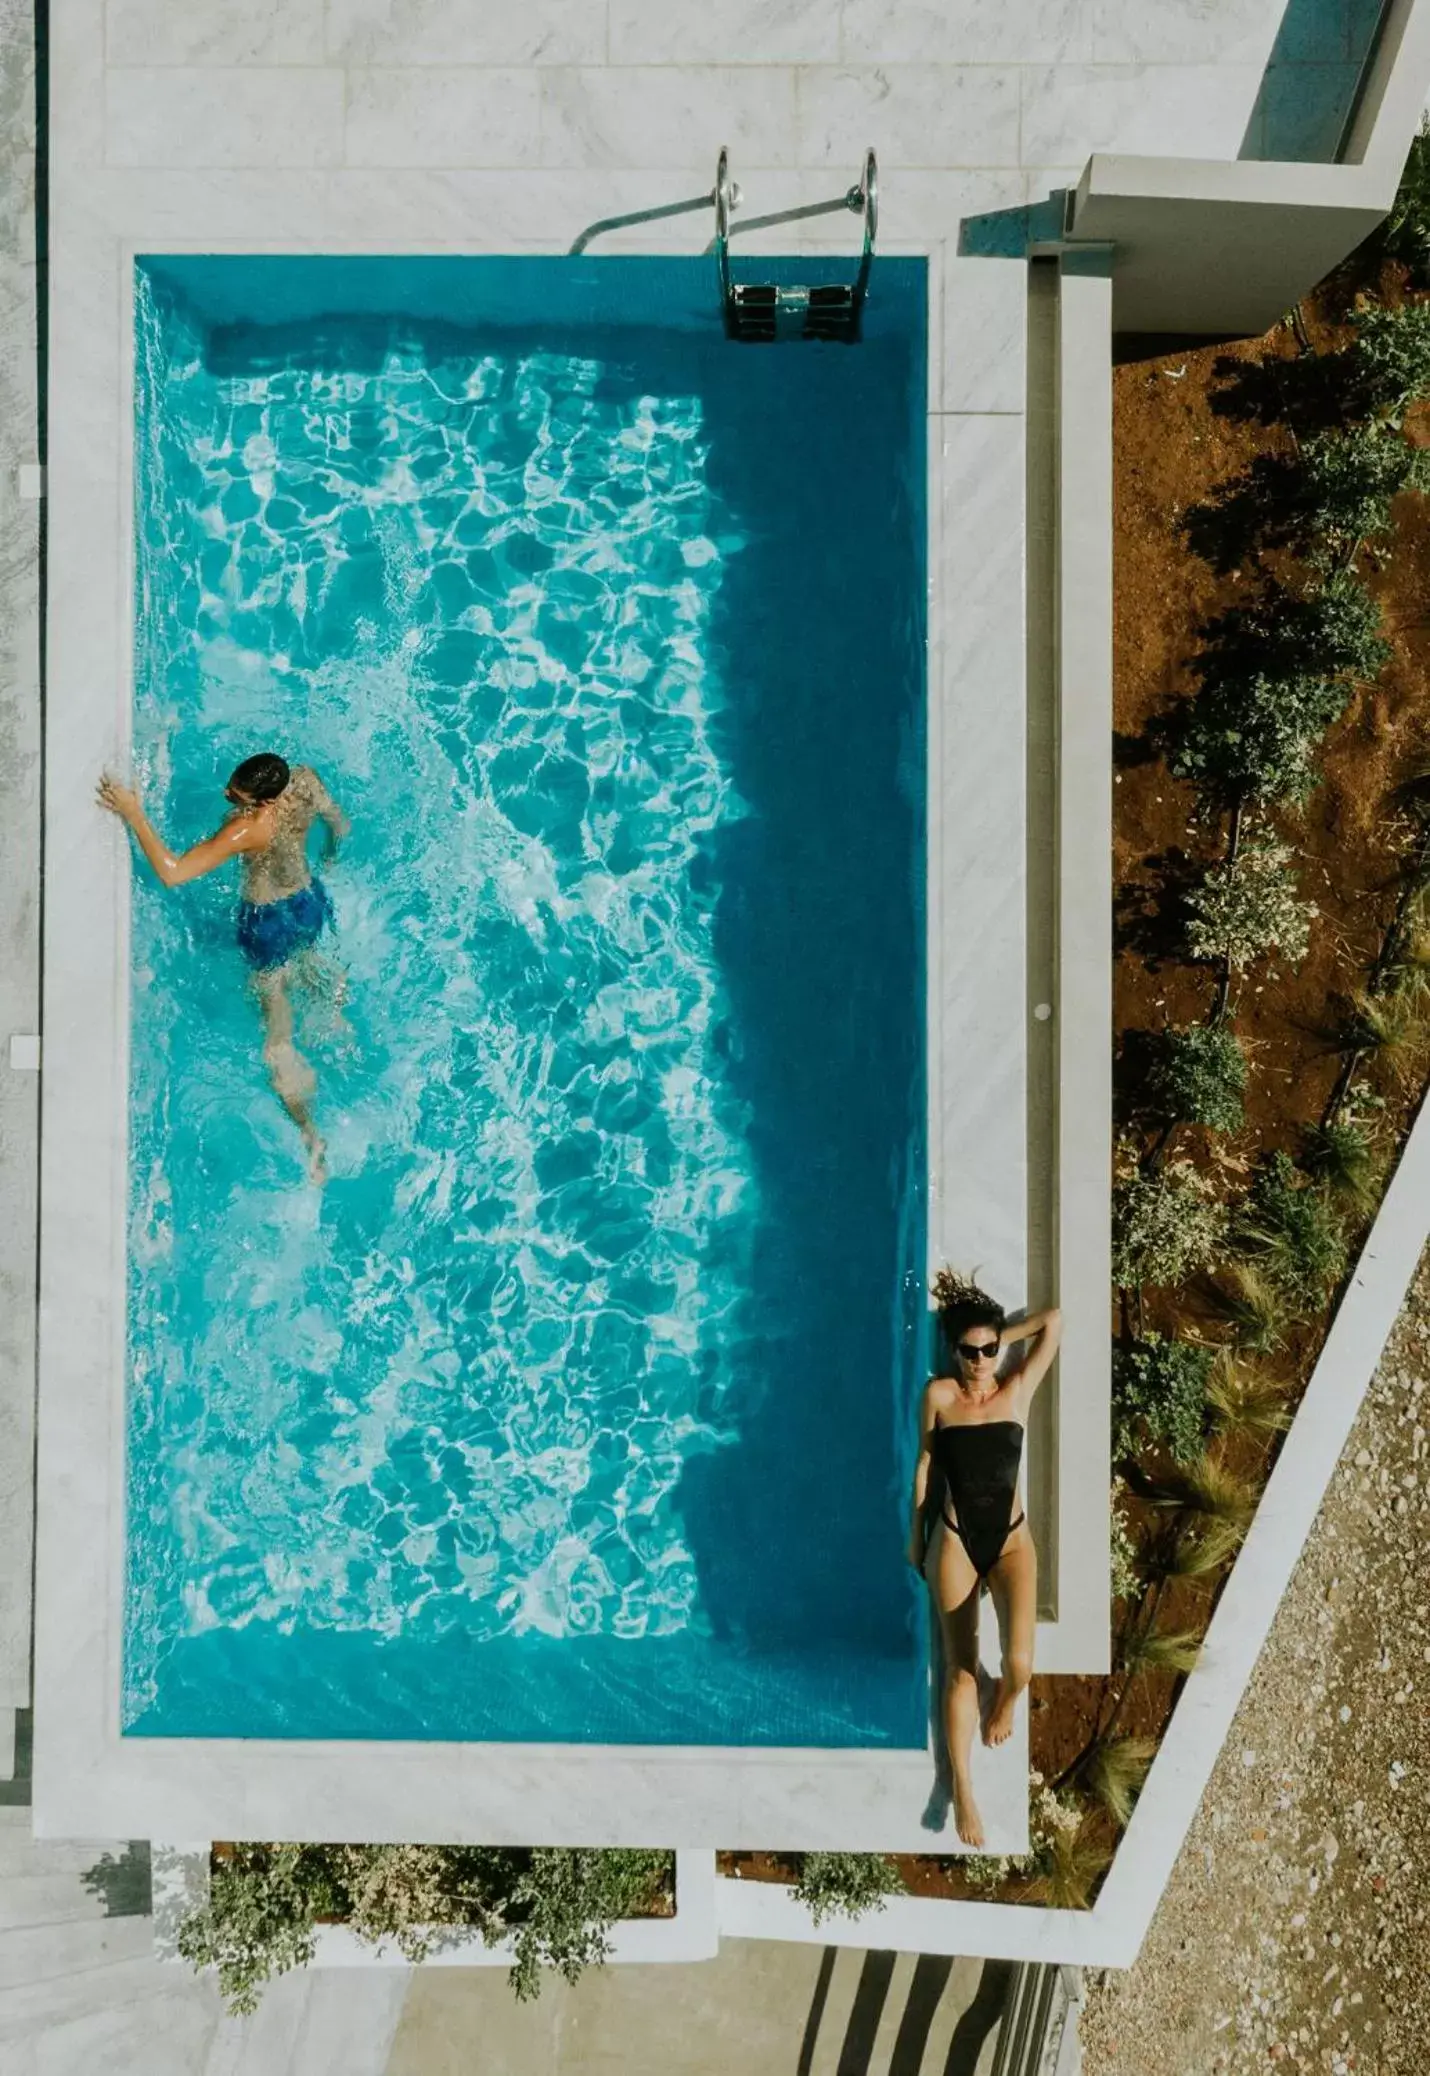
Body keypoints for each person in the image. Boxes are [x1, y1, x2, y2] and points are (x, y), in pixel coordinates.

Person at [98, 753, 349, 1183]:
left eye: (237, 794)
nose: (227, 795)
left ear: (265, 801)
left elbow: (173, 873)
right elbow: (338, 824)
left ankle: (311, 1133)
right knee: (307, 963)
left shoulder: (249, 827)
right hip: (309, 904)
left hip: (267, 927)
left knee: (276, 1043)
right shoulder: (305, 779)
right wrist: (328, 855)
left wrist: (133, 812)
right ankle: (337, 1023)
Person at [907, 1270, 1062, 1849]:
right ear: (953, 1352)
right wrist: (913, 1534)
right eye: (969, 1351)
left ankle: (1010, 1699)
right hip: (954, 1539)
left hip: (1012, 1541)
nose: (980, 1360)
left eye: (990, 1348)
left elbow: (1054, 1323)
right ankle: (961, 1790)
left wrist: (1002, 1330)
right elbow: (926, 1466)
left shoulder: (1015, 1389)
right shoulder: (939, 1397)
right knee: (960, 1667)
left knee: (1018, 1663)